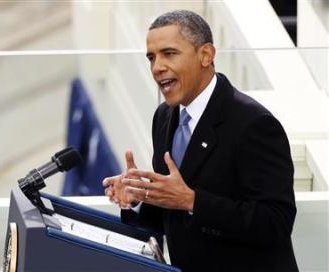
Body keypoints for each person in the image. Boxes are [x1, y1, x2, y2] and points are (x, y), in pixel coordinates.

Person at [103, 10, 298, 272]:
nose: (157, 67)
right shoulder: (164, 116)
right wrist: (140, 197)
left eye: (169, 54)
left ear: (206, 55)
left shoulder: (254, 123)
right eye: (152, 57)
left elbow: (275, 222)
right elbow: (171, 213)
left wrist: (192, 201)